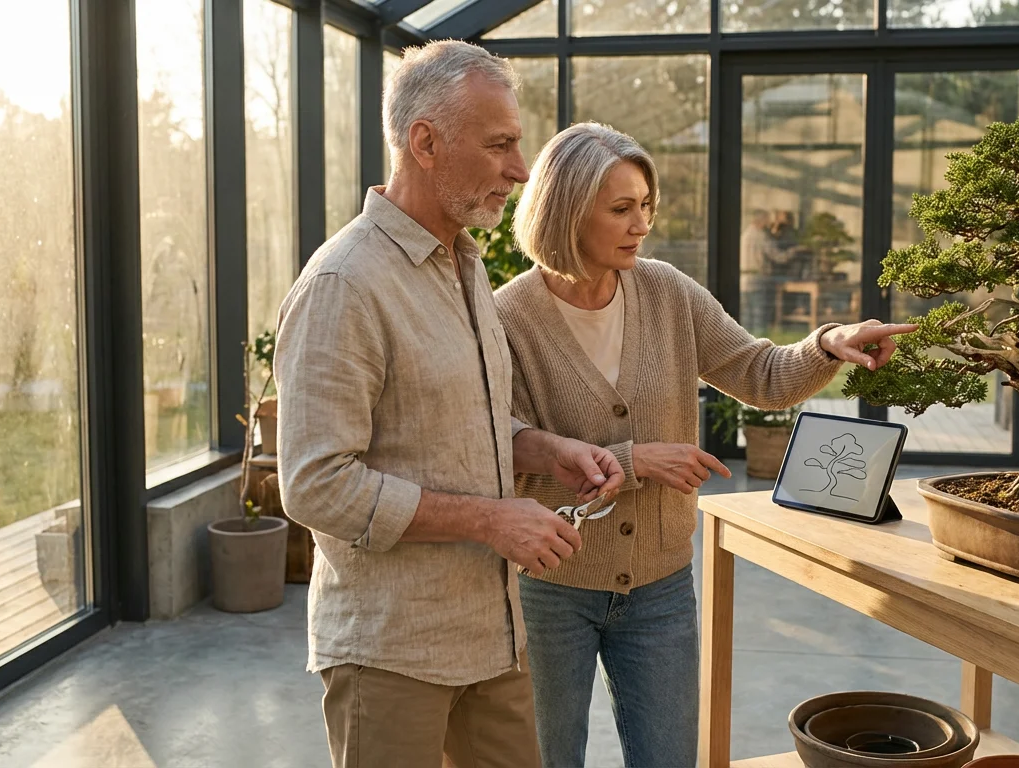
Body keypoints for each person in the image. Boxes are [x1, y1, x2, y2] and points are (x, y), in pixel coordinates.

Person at [494, 122, 915, 768]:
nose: (641, 225)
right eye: (621, 209)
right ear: (568, 211)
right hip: (551, 585)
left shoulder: (666, 292)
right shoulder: (508, 318)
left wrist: (827, 344)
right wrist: (635, 461)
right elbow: (506, 445)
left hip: (660, 586)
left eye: (646, 208)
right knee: (545, 759)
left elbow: (760, 372)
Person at [274, 43, 624, 768]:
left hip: (492, 640)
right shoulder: (344, 283)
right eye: (500, 145)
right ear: (425, 142)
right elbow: (313, 483)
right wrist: (491, 519)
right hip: (392, 655)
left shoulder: (463, 265)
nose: (522, 168)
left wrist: (543, 449)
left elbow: (460, 421)